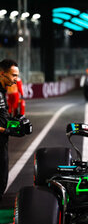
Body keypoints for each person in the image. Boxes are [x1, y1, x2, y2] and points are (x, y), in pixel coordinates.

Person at [0, 59, 21, 200]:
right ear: (2, 73)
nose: (16, 79)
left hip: (2, 143)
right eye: (13, 75)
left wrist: (15, 123)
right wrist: (6, 130)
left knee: (1, 183)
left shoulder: (2, 92)